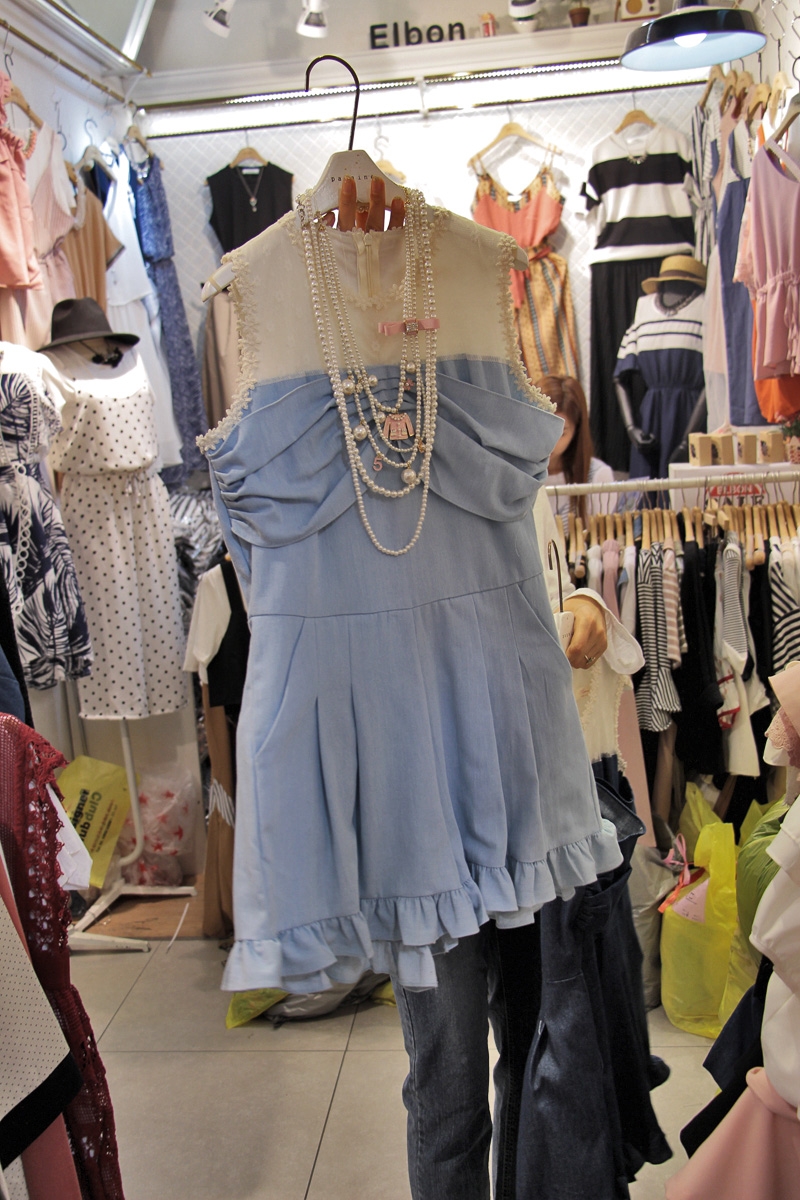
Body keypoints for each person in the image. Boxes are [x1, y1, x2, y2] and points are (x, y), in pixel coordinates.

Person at [318, 177, 613, 1200]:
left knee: (541, 1060)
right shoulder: (354, 474)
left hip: (528, 804)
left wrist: (588, 607)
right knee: (446, 1089)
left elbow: (551, 576)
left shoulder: (498, 452)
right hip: (420, 828)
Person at [542, 374, 615, 531]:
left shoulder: (597, 476)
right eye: (542, 428)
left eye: (561, 433)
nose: (549, 442)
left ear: (576, 431)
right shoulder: (515, 473)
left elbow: (602, 537)